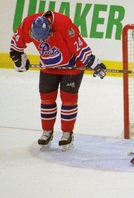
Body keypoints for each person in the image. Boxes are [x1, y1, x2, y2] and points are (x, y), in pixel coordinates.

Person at [10, 11, 106, 151]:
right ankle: (47, 132)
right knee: (46, 99)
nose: (43, 41)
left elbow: (79, 47)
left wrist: (94, 63)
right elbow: (16, 45)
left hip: (72, 66)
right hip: (49, 66)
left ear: (50, 28)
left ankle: (67, 133)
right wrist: (18, 57)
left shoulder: (64, 24)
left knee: (68, 100)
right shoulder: (27, 24)